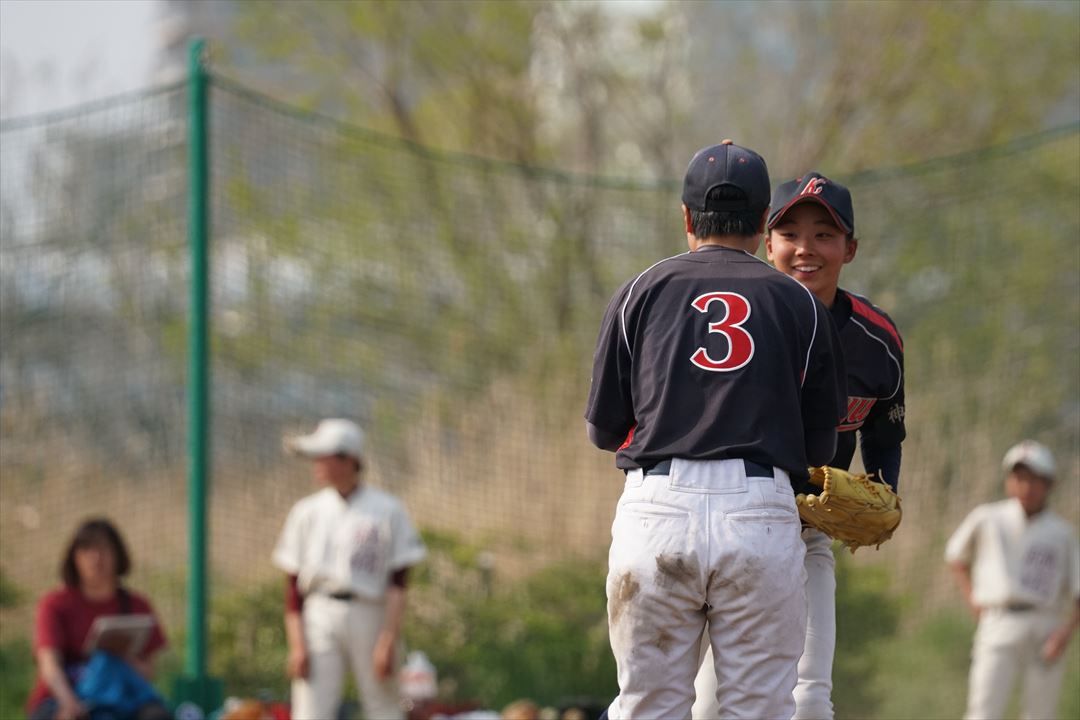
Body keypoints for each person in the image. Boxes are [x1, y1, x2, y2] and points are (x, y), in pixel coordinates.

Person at [585, 141, 848, 719]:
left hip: (657, 511)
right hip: (759, 513)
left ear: (686, 216)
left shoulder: (640, 290)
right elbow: (819, 447)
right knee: (758, 710)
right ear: (763, 221)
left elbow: (605, 430)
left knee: (647, 708)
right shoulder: (800, 304)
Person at [691, 172, 907, 719]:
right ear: (768, 243)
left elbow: (884, 434)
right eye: (790, 234)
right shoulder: (736, 322)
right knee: (705, 702)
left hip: (806, 533)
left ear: (850, 249)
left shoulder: (877, 341)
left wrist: (884, 494)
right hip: (726, 527)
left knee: (809, 699)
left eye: (824, 235)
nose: (805, 248)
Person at [272, 418, 428, 720]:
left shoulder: (387, 509)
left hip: (370, 611)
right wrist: (297, 645)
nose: (317, 465)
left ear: (348, 459)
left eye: (324, 457)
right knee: (311, 710)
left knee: (383, 706)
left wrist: (388, 639)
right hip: (319, 612)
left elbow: (398, 582)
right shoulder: (307, 511)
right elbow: (292, 586)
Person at [945, 440, 1080, 720]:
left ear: (1049, 484)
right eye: (1019, 477)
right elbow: (955, 556)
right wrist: (973, 599)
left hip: (1046, 623)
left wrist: (1065, 633)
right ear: (1009, 481)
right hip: (999, 619)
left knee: (1040, 714)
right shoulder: (988, 517)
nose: (1026, 486)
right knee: (983, 711)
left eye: (1034, 479)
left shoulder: (1062, 533)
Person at [27, 518, 170, 720]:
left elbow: (147, 674)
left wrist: (120, 654)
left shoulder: (137, 606)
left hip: (122, 698)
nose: (96, 558)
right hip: (63, 697)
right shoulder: (54, 604)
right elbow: (49, 665)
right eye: (87, 549)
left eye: (103, 548)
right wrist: (70, 704)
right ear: (74, 557)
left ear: (118, 554)